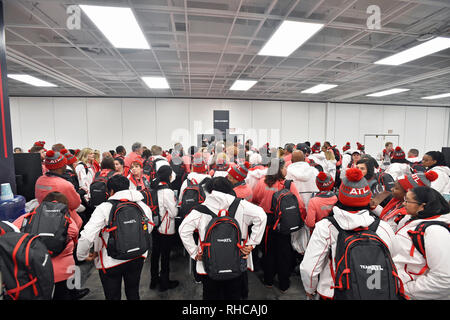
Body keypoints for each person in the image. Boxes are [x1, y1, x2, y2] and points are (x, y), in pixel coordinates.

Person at [300, 168, 396, 300]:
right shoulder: (384, 227)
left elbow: (309, 268)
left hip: (334, 291)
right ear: (367, 197)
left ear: (341, 196)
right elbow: (393, 261)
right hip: (376, 291)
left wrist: (310, 289)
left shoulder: (326, 227)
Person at [178, 177, 267, 300]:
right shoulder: (242, 205)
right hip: (236, 259)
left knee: (211, 294)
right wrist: (251, 244)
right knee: (234, 295)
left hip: (209, 262)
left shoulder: (200, 210)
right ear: (229, 189)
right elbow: (261, 216)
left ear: (209, 190)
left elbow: (183, 230)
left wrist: (194, 252)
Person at [76, 175, 154, 300]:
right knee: (133, 292)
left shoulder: (104, 208)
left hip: (110, 261)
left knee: (112, 296)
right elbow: (149, 228)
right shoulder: (142, 206)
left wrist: (82, 255)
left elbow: (87, 236)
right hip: (137, 256)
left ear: (110, 191)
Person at [13, 191, 89, 300]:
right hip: (64, 271)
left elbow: (12, 231)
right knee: (63, 294)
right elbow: (75, 232)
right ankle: (73, 292)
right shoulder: (67, 220)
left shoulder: (29, 216)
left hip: (36, 269)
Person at [252, 158, 305, 293]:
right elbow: (299, 204)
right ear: (279, 169)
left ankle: (268, 280)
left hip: (267, 223)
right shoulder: (288, 185)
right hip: (284, 223)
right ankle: (283, 283)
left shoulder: (262, 183)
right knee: (284, 254)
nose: (286, 170)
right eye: (284, 167)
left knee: (267, 252)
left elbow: (255, 200)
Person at [393, 186, 450, 299]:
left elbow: (444, 279)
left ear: (422, 206)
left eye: (407, 201)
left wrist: (406, 291)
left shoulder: (436, 232)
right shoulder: (411, 219)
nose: (403, 204)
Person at [35, 150, 83, 230]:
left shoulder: (39, 180)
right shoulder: (65, 185)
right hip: (63, 221)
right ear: (62, 166)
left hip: (42, 217)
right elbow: (75, 204)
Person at [149, 166, 179, 292]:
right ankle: (164, 283)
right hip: (165, 227)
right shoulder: (167, 191)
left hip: (154, 225)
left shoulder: (152, 187)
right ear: (168, 176)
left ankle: (154, 280)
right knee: (165, 256)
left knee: (155, 254)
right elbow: (173, 213)